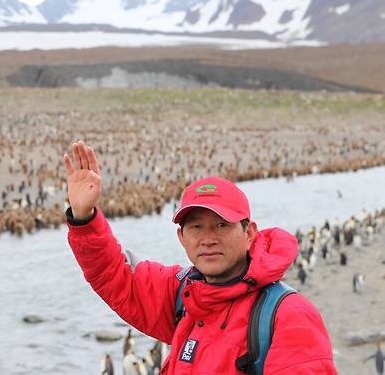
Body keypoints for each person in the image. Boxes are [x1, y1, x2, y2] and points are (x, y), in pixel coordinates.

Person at [63, 140, 337, 374]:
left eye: (221, 225)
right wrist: (83, 218)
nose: (208, 238)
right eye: (196, 227)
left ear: (250, 232)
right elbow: (115, 276)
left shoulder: (287, 316)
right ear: (181, 237)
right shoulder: (184, 293)